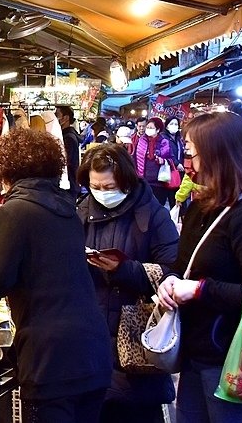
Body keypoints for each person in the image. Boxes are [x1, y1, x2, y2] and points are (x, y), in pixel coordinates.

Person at [0, 128, 112, 423]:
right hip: (93, 354)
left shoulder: (13, 212)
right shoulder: (68, 209)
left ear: (6, 171)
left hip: (50, 362)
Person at [156, 111, 242, 423]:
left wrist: (199, 290)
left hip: (235, 358)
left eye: (191, 152)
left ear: (216, 156)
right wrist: (169, 282)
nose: (188, 161)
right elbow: (182, 265)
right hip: (196, 351)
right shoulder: (201, 204)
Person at [77, 144, 178, 423]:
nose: (101, 192)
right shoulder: (82, 211)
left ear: (125, 180)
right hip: (91, 334)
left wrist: (124, 269)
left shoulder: (153, 215)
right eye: (94, 186)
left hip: (136, 340)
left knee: (135, 412)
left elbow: (173, 270)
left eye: (108, 185)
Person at [131, 116, 172, 206]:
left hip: (159, 182)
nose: (148, 129)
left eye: (151, 128)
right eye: (148, 127)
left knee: (157, 207)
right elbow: (134, 157)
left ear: (157, 130)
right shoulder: (141, 140)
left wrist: (164, 161)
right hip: (143, 180)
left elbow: (170, 159)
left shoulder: (164, 142)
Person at [56, 105, 81, 198]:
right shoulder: (67, 135)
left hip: (68, 186)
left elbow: (66, 162)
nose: (55, 118)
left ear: (65, 118)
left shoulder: (68, 138)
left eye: (57, 115)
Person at [163, 116, 185, 208]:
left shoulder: (179, 138)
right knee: (172, 197)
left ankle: (179, 217)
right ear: (167, 126)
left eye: (176, 124)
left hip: (180, 171)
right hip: (170, 171)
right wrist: (177, 163)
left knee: (180, 197)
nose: (174, 126)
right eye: (171, 124)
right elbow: (167, 153)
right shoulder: (164, 138)